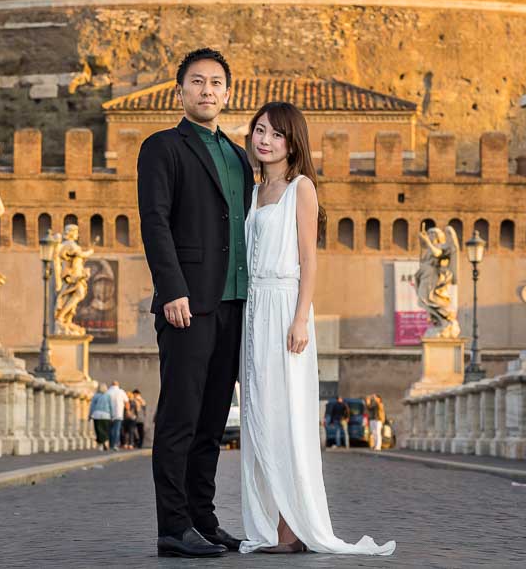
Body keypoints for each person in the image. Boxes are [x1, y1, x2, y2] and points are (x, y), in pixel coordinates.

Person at [239, 101, 395, 556]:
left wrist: (301, 317)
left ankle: (292, 531)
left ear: (293, 143)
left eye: (276, 134)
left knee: (287, 416)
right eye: (260, 131)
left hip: (286, 305)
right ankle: (273, 524)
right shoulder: (254, 192)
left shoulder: (300, 188)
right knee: (260, 416)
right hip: (256, 309)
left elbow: (309, 257)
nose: (265, 140)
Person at [138, 48, 254, 558]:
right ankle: (173, 525)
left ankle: (203, 519)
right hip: (188, 304)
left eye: (216, 83)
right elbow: (155, 221)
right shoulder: (162, 147)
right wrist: (172, 289)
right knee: (180, 418)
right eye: (197, 82)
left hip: (233, 305)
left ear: (228, 93)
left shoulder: (238, 155)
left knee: (211, 422)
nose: (207, 91)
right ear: (179, 91)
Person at [89, 383, 113, 451]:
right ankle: (105, 441)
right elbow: (111, 406)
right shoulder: (108, 396)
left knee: (98, 430)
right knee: (105, 430)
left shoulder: (96, 396)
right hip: (106, 415)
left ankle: (100, 444)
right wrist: (112, 415)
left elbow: (92, 406)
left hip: (97, 414)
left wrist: (90, 415)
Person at [106, 380, 129, 452]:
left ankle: (110, 444)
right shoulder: (121, 392)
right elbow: (126, 402)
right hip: (119, 413)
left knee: (110, 430)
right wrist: (127, 411)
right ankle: (115, 444)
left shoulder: (108, 392)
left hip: (109, 413)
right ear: (118, 385)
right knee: (116, 430)